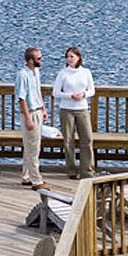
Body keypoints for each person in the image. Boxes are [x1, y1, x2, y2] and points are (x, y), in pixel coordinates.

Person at [52, 46, 95, 179]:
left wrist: (83, 94)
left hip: (82, 109)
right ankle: (71, 170)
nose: (69, 59)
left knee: (87, 139)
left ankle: (87, 171)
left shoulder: (86, 72)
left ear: (78, 58)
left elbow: (92, 90)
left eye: (72, 56)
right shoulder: (63, 73)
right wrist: (70, 96)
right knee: (68, 141)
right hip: (66, 110)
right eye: (68, 57)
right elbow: (55, 93)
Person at [15, 47, 48, 190]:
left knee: (31, 145)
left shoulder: (36, 72)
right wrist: (28, 118)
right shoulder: (23, 75)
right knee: (33, 148)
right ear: (30, 61)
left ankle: (26, 176)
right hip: (30, 113)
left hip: (38, 110)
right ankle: (36, 180)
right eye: (38, 58)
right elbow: (21, 98)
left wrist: (44, 108)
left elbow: (38, 91)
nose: (41, 60)